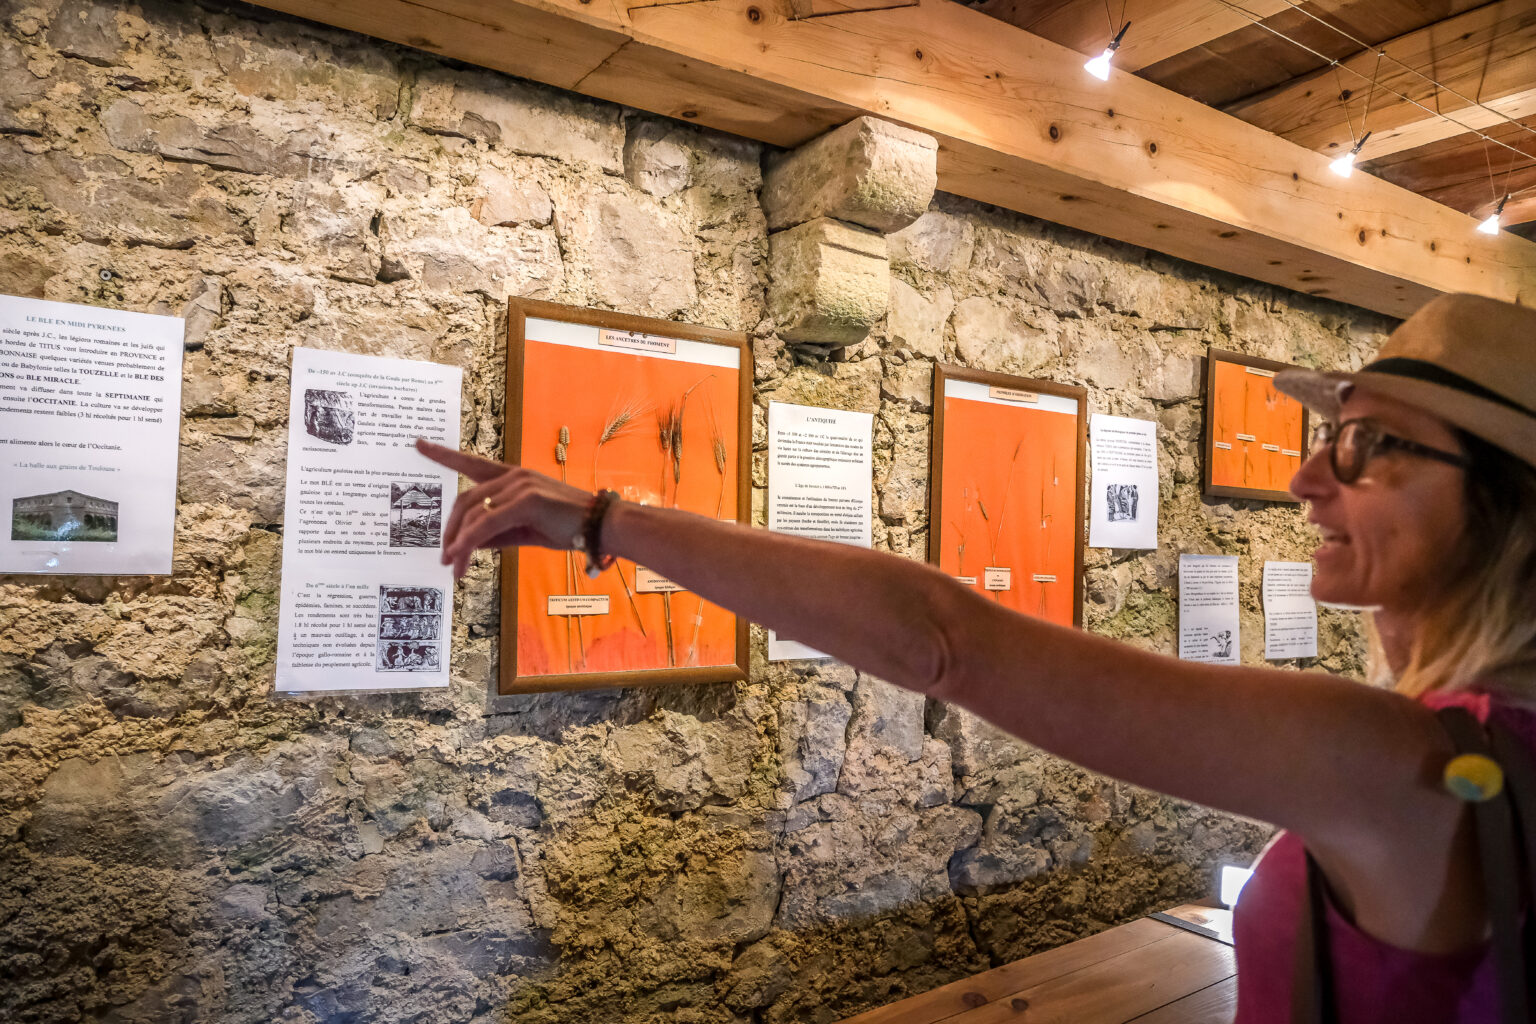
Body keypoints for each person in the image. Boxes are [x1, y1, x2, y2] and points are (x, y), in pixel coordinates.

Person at [417, 292, 1536, 1022]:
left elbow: (947, 641)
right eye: (1332, 436)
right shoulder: (1472, 750)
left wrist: (606, 520)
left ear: (1505, 501)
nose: (1307, 479)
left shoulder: (1403, 762)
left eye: (1369, 444)